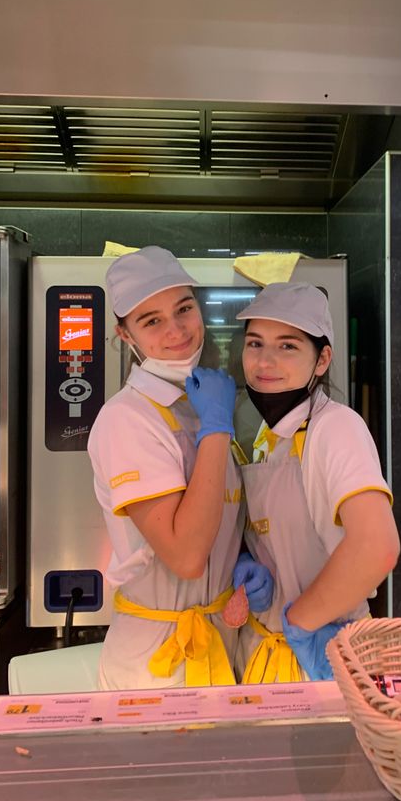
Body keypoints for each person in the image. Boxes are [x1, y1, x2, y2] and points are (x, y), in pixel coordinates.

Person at [88, 246, 272, 690]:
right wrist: (216, 429)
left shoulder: (199, 403)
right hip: (158, 664)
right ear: (125, 335)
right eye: (152, 321)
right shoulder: (127, 419)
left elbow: (213, 516)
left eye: (184, 309)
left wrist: (241, 559)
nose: (176, 331)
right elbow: (186, 556)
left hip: (222, 639)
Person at [234, 282, 401, 682]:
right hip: (265, 655)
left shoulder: (336, 427)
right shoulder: (268, 434)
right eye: (255, 343)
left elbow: (377, 547)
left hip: (322, 658)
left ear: (322, 359)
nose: (265, 361)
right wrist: (253, 565)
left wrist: (299, 621)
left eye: (287, 346)